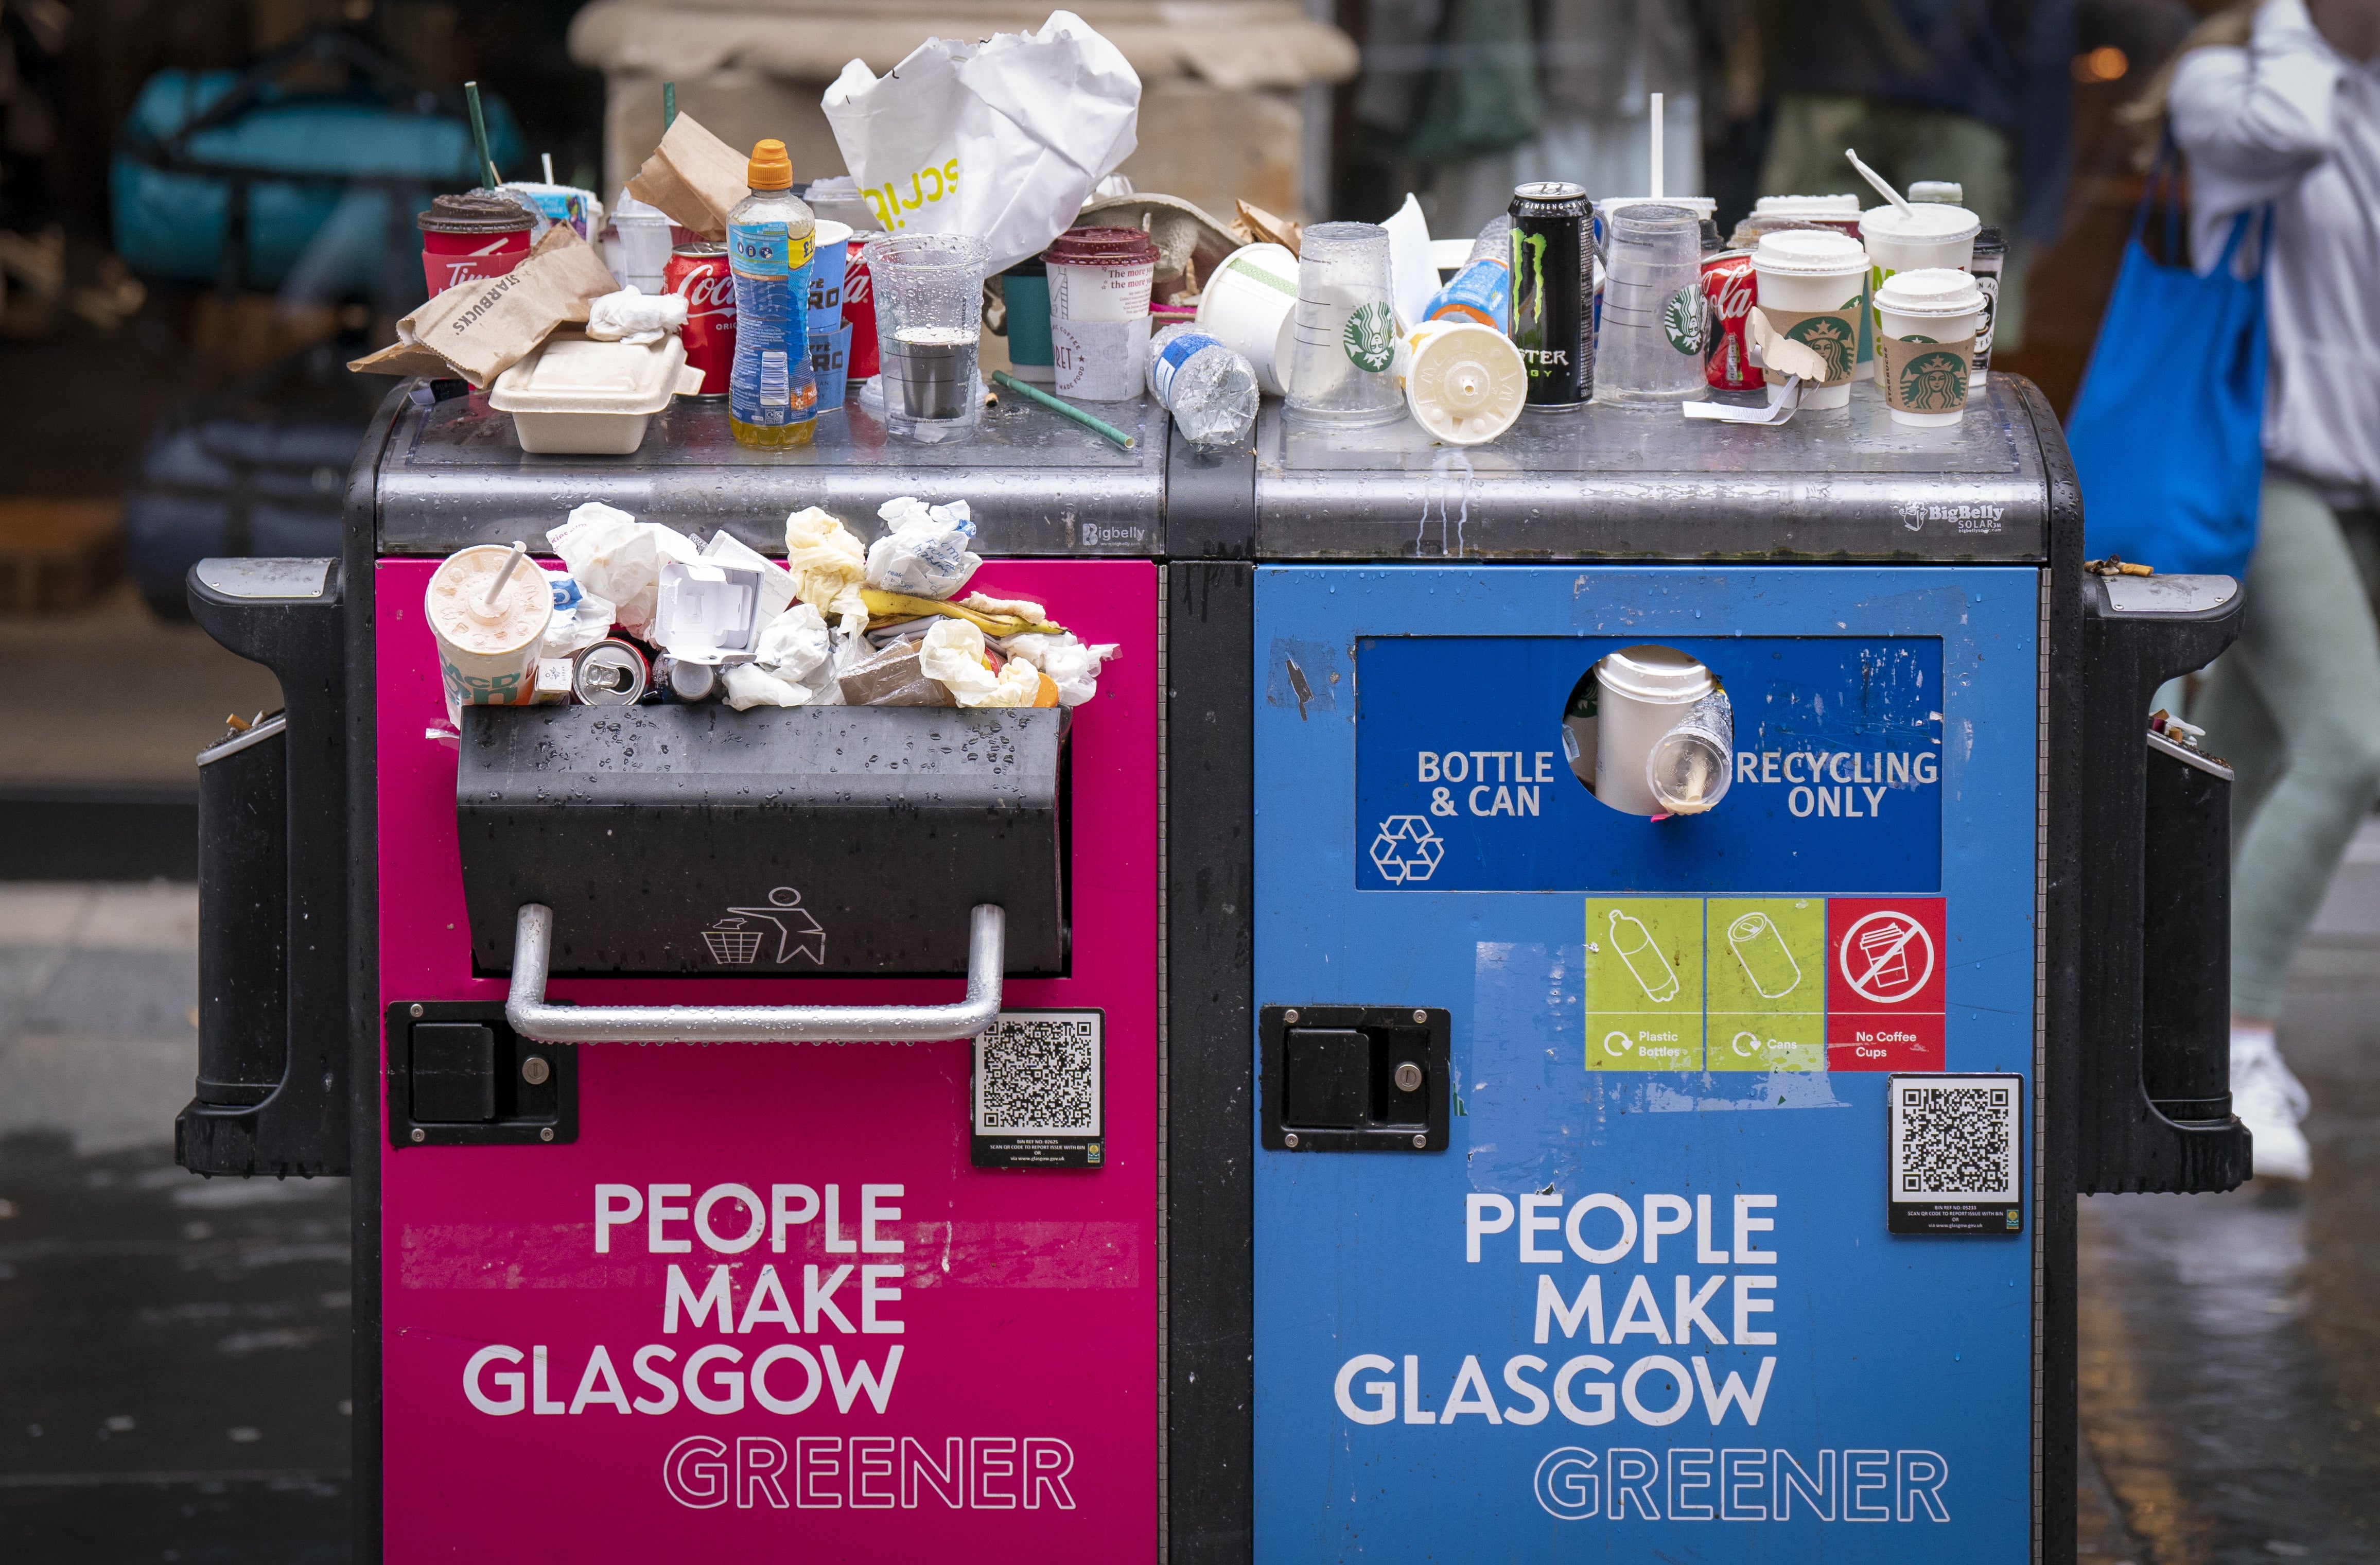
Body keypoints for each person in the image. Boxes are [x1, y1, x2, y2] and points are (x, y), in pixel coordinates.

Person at [2144, 0, 2380, 1181]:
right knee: (2350, 745)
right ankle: (2235, 1047)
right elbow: (2284, 136)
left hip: (2361, 484)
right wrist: (2301, 23)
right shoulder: (2229, 84)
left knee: (2232, 762)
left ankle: (2159, 1017)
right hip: (2265, 466)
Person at [1753, 0, 2078, 355]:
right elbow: (2047, 27)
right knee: (1952, 332)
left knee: (1805, 316)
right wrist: (2040, 202)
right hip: (1960, 85)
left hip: (1836, 70)